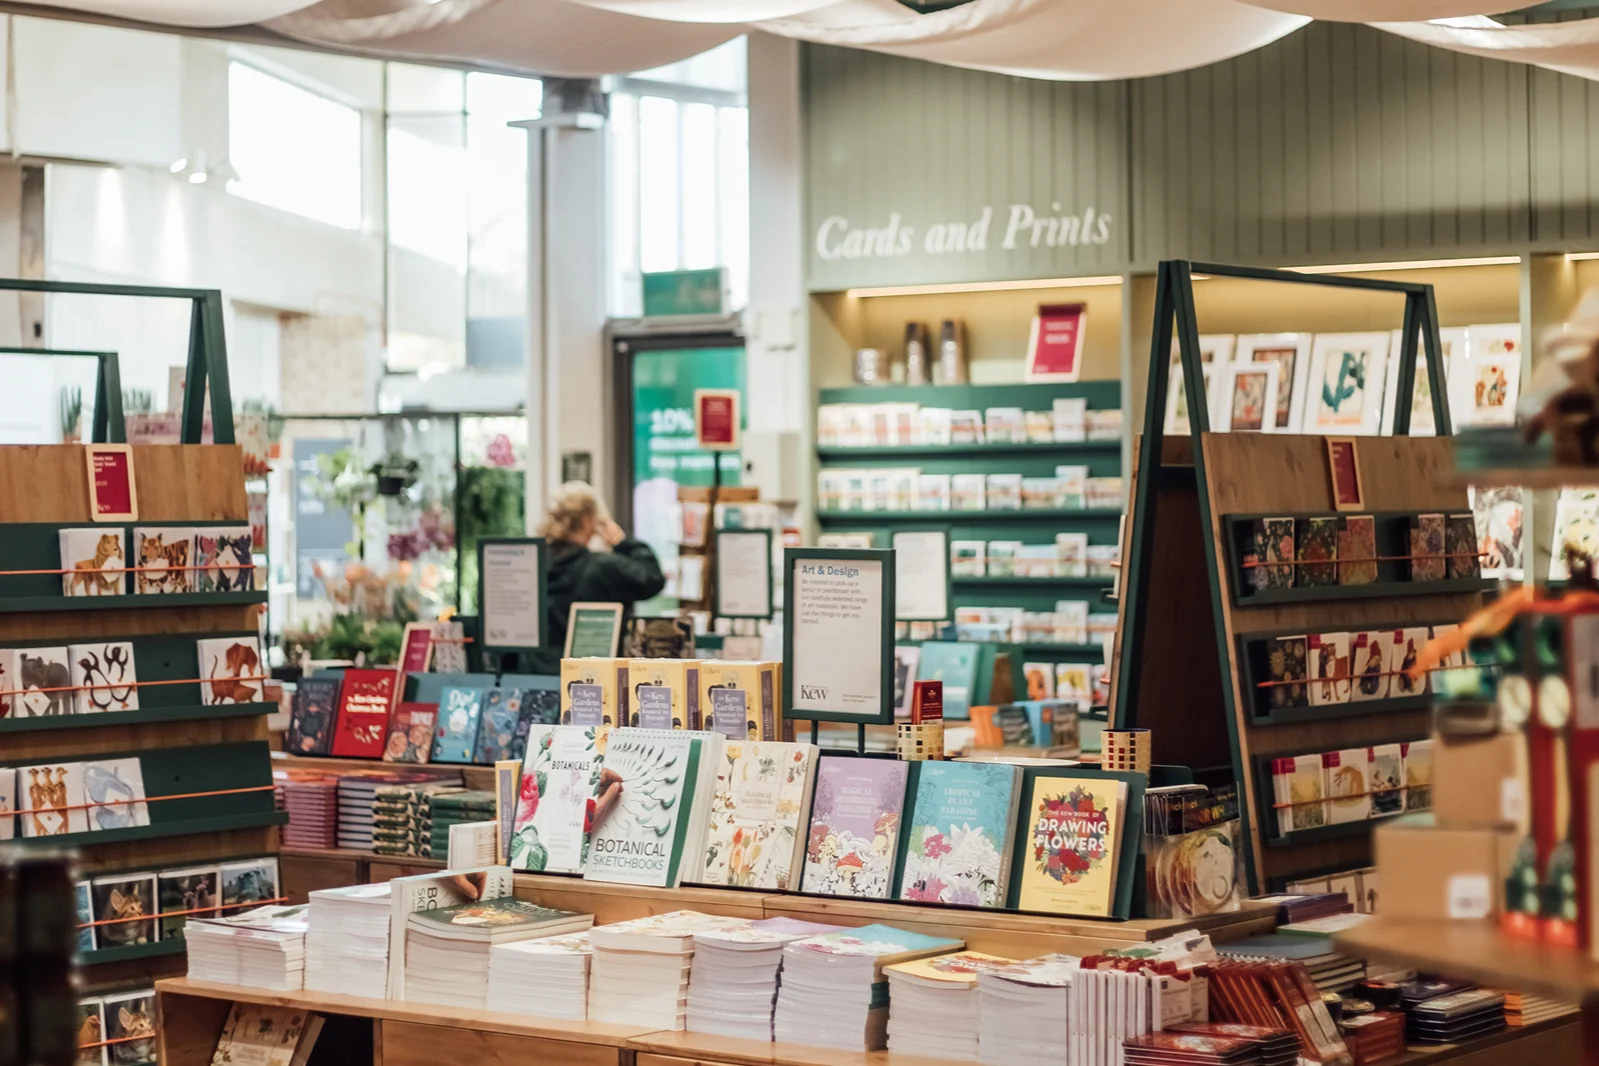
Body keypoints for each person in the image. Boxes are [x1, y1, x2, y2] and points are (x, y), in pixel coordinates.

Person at [527, 482, 665, 673]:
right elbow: (651, 579)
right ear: (589, 520)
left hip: (537, 674)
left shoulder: (531, 564)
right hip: (593, 677)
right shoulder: (603, 568)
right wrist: (623, 543)